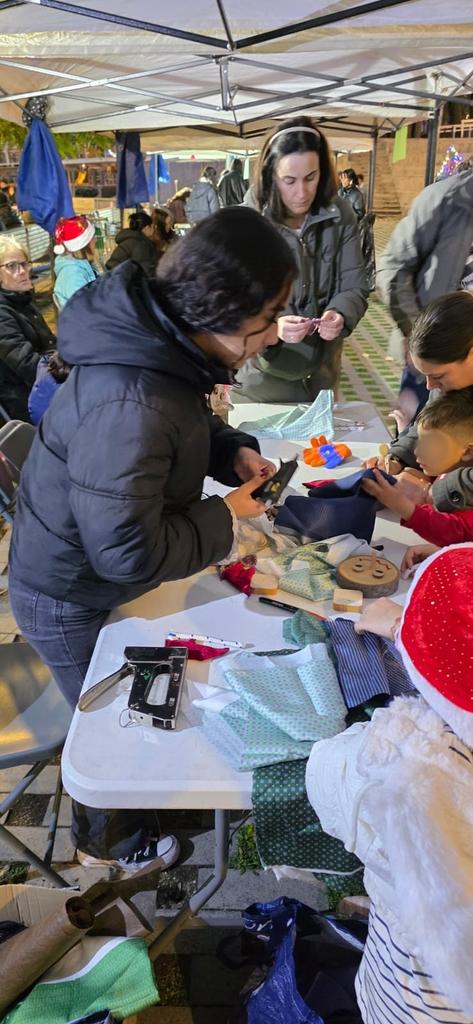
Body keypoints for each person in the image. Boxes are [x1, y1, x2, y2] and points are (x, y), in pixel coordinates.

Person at [8, 206, 296, 872]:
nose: (265, 339)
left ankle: (146, 812)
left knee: (144, 700)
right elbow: (127, 551)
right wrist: (226, 517)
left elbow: (180, 430)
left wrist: (233, 455)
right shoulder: (132, 394)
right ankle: (110, 840)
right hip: (68, 593)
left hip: (88, 569)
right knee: (110, 729)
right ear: (216, 316)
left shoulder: (160, 349)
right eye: (262, 323)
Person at [306, 543, 473, 1024]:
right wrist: (414, 632)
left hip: (413, 1002)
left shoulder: (407, 760)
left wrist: (416, 633)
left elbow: (325, 780)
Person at [238, 115, 368, 402]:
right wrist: (273, 326)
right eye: (289, 180)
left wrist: (341, 313)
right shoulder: (249, 219)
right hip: (261, 379)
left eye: (311, 177)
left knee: (320, 447)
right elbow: (232, 300)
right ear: (271, 175)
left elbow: (354, 284)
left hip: (322, 372)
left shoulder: (341, 213)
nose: (302, 192)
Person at [364, 291, 473, 514]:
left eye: (439, 376)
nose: (429, 387)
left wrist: (437, 492)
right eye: (424, 375)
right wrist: (396, 458)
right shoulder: (451, 382)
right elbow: (429, 423)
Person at [377, 166, 473, 417]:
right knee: (420, 433)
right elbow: (393, 268)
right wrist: (418, 331)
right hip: (432, 356)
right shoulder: (443, 200)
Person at [362, 389, 473, 544]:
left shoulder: (467, 499)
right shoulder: (442, 470)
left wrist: (402, 505)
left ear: (467, 451)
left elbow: (455, 531)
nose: (417, 451)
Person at [0, 237, 55, 420]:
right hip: (24, 399)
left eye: (25, 264)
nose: (23, 272)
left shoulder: (22, 300)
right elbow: (27, 364)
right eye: (12, 266)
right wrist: (65, 368)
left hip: (41, 385)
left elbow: (48, 342)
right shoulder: (2, 312)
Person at [53, 215, 99, 310]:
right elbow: (83, 310)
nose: (96, 240)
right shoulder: (73, 274)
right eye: (93, 237)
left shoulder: (81, 266)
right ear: (84, 244)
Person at [105, 210, 157, 276]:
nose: (154, 230)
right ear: (146, 228)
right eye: (152, 227)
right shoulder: (141, 244)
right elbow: (144, 271)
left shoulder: (129, 240)